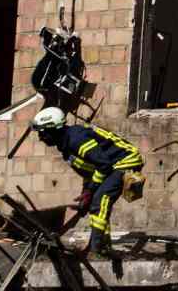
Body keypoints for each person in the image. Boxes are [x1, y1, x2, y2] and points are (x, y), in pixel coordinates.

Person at [29, 106, 146, 254]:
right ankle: (103, 243)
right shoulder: (65, 145)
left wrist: (91, 190)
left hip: (126, 160)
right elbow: (89, 170)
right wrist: (86, 192)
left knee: (100, 199)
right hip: (110, 165)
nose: (40, 137)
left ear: (54, 129)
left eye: (43, 132)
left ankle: (96, 249)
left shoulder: (76, 140)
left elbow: (103, 165)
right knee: (94, 202)